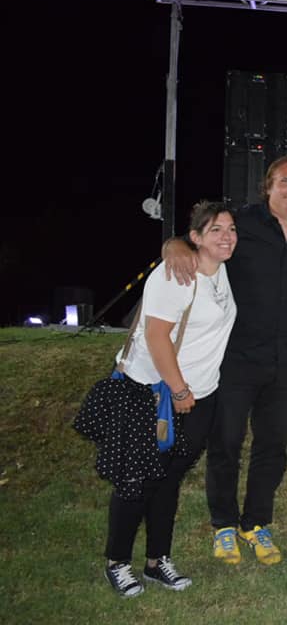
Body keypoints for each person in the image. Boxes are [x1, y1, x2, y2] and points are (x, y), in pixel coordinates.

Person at [164, 155, 287, 565]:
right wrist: (173, 245)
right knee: (226, 443)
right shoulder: (242, 222)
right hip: (236, 357)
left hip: (285, 358)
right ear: (268, 185)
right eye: (285, 181)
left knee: (273, 446)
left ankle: (256, 523)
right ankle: (224, 525)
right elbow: (197, 238)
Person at [100, 202, 237, 597]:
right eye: (215, 230)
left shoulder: (221, 271)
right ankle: (117, 562)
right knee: (137, 479)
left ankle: (157, 561)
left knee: (168, 480)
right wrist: (178, 389)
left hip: (201, 395)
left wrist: (192, 393)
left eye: (231, 229)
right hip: (153, 391)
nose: (226, 237)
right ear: (195, 237)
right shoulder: (175, 273)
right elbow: (156, 335)